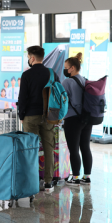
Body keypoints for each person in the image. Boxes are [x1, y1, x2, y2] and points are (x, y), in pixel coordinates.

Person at [18, 46, 60, 192]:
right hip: (49, 116)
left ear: (32, 58)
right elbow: (58, 94)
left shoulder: (27, 75)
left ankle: (33, 181)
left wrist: (21, 115)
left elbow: (22, 98)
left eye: (28, 57)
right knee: (49, 148)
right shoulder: (52, 73)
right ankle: (48, 183)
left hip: (30, 116)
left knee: (31, 149)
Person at [62, 53, 92, 186]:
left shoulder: (67, 82)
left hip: (72, 119)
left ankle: (75, 177)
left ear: (72, 68)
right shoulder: (85, 80)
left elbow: (62, 101)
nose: (65, 70)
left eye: (66, 68)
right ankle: (86, 176)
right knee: (85, 146)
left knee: (73, 148)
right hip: (86, 118)